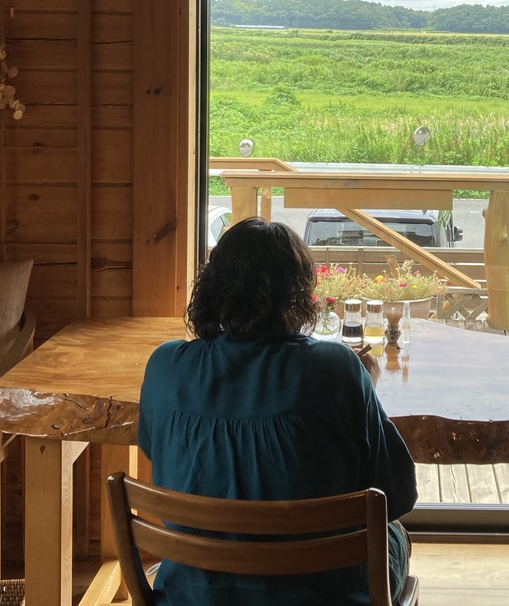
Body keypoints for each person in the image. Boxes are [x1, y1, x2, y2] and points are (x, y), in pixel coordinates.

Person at [138, 217, 417, 605]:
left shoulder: (166, 365)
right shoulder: (335, 369)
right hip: (321, 596)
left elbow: (154, 450)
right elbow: (396, 495)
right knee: (394, 532)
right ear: (298, 293)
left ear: (212, 288)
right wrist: (361, 386)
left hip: (194, 595)